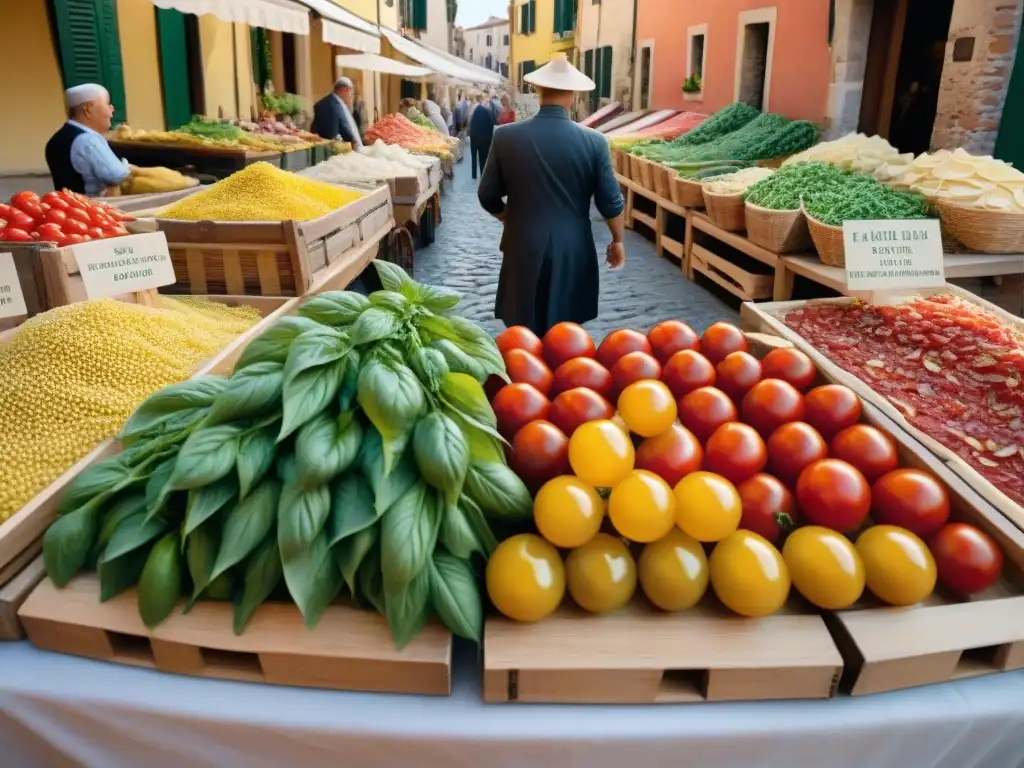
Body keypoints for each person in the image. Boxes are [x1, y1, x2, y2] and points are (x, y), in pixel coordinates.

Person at [478, 53, 625, 336]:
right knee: (566, 337)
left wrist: (509, 216)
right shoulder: (595, 142)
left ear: (537, 91)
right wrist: (618, 240)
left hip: (522, 244)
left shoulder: (505, 137)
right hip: (573, 248)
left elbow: (487, 195)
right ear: (572, 95)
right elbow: (611, 202)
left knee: (522, 334)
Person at [45, 84, 130, 195]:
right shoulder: (88, 140)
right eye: (107, 104)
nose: (112, 109)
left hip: (67, 205)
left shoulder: (55, 139)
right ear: (88, 109)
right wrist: (126, 164)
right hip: (91, 206)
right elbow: (116, 175)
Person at [312, 77, 362, 148]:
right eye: (351, 92)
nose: (351, 96)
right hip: (331, 149)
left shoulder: (336, 102)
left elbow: (343, 125)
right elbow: (330, 135)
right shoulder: (331, 104)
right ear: (345, 90)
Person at [469, 94, 495, 180]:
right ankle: (483, 174)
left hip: (474, 137)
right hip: (484, 138)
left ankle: (473, 175)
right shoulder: (488, 111)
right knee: (483, 157)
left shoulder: (475, 110)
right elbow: (492, 124)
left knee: (474, 157)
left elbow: (470, 122)